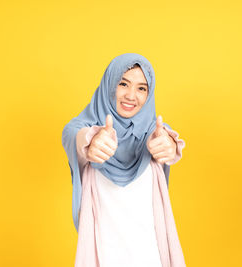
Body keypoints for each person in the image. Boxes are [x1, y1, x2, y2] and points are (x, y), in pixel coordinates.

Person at [62, 53, 186, 267]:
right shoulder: (84, 129)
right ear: (110, 84)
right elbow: (74, 135)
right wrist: (92, 141)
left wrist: (170, 144)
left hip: (150, 256)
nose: (131, 95)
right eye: (123, 83)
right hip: (105, 255)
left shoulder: (153, 133)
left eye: (141, 88)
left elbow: (167, 140)